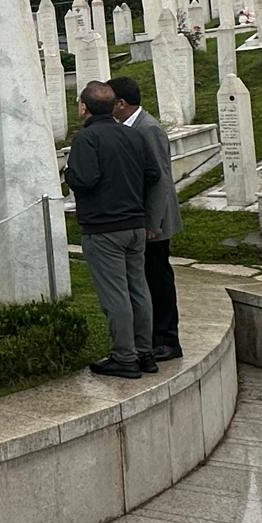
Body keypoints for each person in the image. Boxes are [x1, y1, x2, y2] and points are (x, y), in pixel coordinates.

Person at [64, 80, 161, 379]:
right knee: (138, 289)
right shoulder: (133, 135)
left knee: (115, 294)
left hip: (103, 227)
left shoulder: (86, 139)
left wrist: (68, 173)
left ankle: (124, 356)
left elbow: (84, 180)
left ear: (84, 107)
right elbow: (153, 173)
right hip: (134, 224)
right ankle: (145, 352)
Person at [109, 74, 183, 360]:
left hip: (156, 220)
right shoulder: (129, 127)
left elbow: (160, 179)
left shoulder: (147, 128)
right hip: (141, 217)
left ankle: (167, 339)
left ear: (121, 103)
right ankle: (150, 335)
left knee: (158, 277)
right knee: (146, 278)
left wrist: (152, 222)